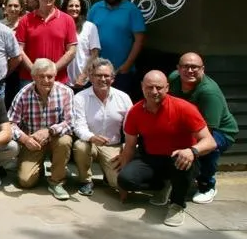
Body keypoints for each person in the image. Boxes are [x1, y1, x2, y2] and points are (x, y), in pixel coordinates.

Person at [117, 70, 217, 227]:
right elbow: (129, 146)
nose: (154, 92)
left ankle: (177, 204)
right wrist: (122, 186)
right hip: (151, 158)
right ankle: (164, 185)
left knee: (181, 161)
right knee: (125, 180)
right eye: (149, 87)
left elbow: (210, 141)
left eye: (159, 87)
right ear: (142, 87)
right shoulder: (135, 112)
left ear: (167, 88)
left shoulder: (184, 108)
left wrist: (192, 151)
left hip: (180, 158)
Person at [168, 53, 238, 204]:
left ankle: (207, 185)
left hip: (220, 131)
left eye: (194, 67)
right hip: (189, 125)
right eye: (186, 66)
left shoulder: (209, 93)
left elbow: (208, 135)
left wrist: (189, 148)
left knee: (207, 149)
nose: (190, 70)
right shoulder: (173, 79)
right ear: (178, 68)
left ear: (203, 69)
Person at [8, 58, 73, 200]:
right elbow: (11, 123)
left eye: (50, 76)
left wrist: (50, 131)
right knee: (25, 181)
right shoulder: (23, 94)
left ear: (55, 76)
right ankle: (38, 169)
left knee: (65, 141)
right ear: (33, 77)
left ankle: (56, 182)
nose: (46, 80)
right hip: (33, 141)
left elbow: (70, 122)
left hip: (55, 138)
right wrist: (25, 139)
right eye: (41, 76)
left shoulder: (65, 92)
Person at [71, 58, 132, 196]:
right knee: (80, 146)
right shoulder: (80, 98)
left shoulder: (124, 98)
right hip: (90, 143)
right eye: (98, 75)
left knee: (117, 183)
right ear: (91, 77)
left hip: (113, 145)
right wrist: (92, 137)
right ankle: (85, 181)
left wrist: (126, 149)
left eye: (106, 76)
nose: (103, 79)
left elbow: (131, 127)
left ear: (113, 78)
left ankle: (107, 174)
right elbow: (78, 126)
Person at [87, 0, 146, 97]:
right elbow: (87, 36)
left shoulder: (132, 10)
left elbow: (139, 41)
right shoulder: (95, 8)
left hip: (122, 72)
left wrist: (127, 65)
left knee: (121, 104)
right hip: (97, 70)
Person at [15, 0, 77, 85]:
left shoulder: (67, 20)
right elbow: (19, 49)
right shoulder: (25, 20)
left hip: (57, 78)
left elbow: (72, 51)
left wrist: (53, 70)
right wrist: (34, 70)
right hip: (30, 78)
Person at [62, 0, 100, 91]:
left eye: (77, 6)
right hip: (62, 80)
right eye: (71, 6)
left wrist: (83, 76)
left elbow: (94, 54)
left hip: (84, 81)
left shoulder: (90, 27)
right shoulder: (59, 26)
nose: (74, 8)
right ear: (65, 8)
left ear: (81, 8)